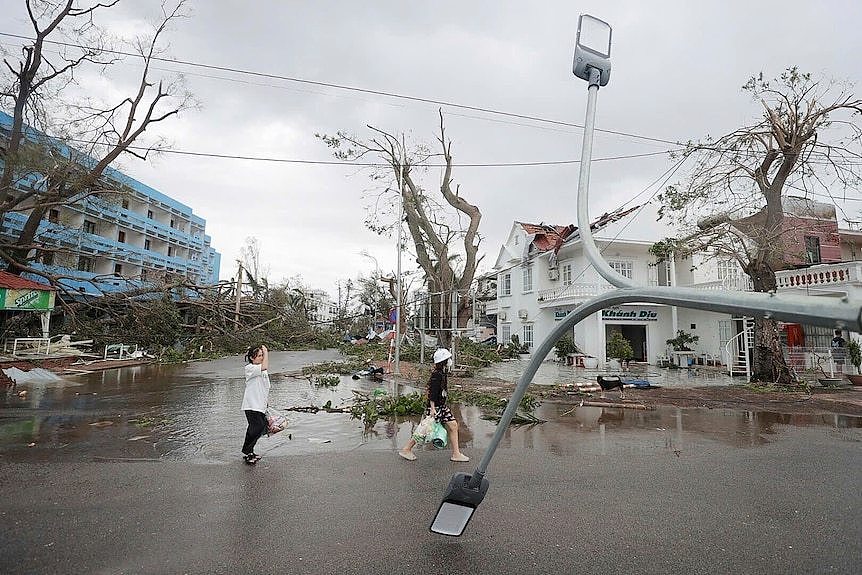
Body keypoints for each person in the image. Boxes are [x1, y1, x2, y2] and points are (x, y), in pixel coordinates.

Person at [399, 348, 470, 463]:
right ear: (444, 361)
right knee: (425, 429)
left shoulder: (442, 373)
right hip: (435, 407)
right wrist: (432, 408)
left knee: (453, 425)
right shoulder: (437, 375)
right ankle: (407, 449)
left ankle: (456, 454)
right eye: (448, 359)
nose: (450, 361)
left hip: (441, 406)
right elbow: (432, 393)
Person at [241, 344, 270, 465]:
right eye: (259, 356)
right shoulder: (250, 368)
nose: (262, 358)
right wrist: (266, 352)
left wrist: (266, 402)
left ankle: (250, 451)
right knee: (256, 428)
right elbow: (264, 367)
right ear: (252, 358)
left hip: (260, 405)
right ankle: (247, 452)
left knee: (261, 427)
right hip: (251, 405)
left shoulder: (262, 370)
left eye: (262, 355)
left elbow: (264, 387)